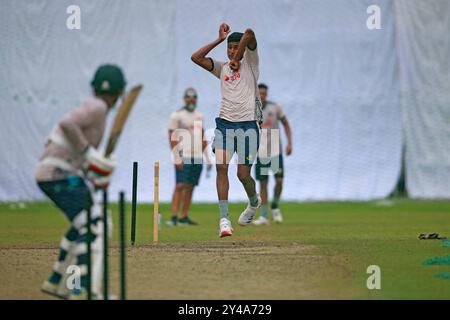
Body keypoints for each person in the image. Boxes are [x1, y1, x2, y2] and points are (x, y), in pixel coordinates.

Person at [35, 64, 125, 299]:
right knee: (95, 226)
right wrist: (89, 153)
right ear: (118, 92)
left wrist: (97, 172)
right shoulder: (97, 107)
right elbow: (67, 124)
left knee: (85, 225)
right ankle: (81, 289)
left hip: (61, 174)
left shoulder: (99, 111)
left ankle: (56, 281)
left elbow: (81, 158)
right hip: (59, 175)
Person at [191, 23, 262, 238]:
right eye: (229, 48)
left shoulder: (250, 62)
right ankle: (224, 220)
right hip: (225, 124)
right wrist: (219, 40)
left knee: (243, 174)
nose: (232, 51)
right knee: (221, 167)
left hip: (248, 124)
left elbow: (249, 33)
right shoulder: (222, 68)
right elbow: (196, 58)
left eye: (235, 47)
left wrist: (238, 56)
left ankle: (253, 202)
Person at [167, 88, 211, 226]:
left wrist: (208, 157)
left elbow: (202, 136)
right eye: (189, 97)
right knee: (180, 185)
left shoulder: (199, 116)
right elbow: (172, 137)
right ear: (184, 98)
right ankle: (174, 216)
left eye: (194, 97)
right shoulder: (177, 116)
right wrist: (176, 156)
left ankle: (184, 216)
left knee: (191, 186)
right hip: (183, 155)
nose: (191, 99)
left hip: (197, 156)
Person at [252, 83, 292, 225]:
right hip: (260, 152)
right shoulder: (251, 109)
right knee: (263, 183)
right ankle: (264, 216)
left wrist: (289, 143)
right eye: (259, 93)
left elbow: (286, 123)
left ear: (266, 94)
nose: (262, 96)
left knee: (279, 181)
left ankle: (274, 204)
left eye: (264, 93)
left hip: (275, 150)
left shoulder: (275, 108)